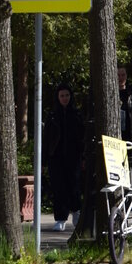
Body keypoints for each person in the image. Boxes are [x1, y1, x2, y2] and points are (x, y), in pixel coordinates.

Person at [44, 82, 84, 231]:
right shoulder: (53, 116)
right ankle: (60, 218)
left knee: (74, 185)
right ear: (58, 97)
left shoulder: (78, 114)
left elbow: (82, 136)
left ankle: (76, 211)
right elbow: (46, 138)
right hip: (56, 156)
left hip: (74, 156)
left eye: (67, 95)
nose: (65, 98)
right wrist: (44, 160)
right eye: (62, 96)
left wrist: (83, 156)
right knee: (58, 188)